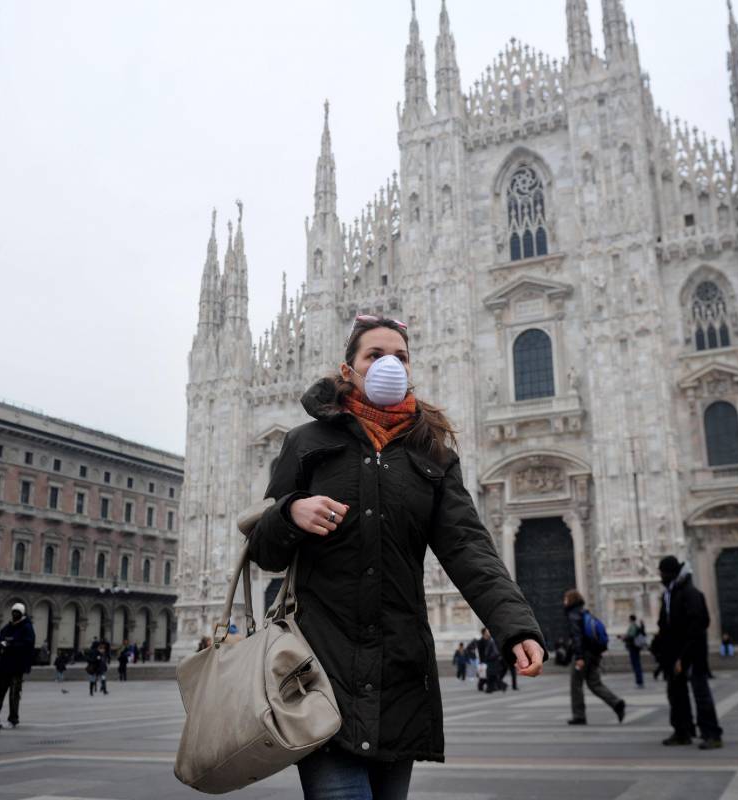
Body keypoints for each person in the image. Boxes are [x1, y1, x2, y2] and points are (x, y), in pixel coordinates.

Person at [247, 315, 546, 799]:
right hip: (322, 673)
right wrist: (289, 511)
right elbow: (264, 551)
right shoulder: (307, 443)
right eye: (375, 356)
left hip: (399, 676)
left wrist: (516, 626)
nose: (390, 364)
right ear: (349, 369)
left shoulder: (432, 451)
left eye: (400, 357)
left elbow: (468, 546)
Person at [653, 556, 722, 750]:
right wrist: (659, 646)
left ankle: (712, 734)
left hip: (692, 653)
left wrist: (684, 656)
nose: (660, 576)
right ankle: (682, 731)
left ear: (671, 573)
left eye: (662, 572)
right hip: (673, 654)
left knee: (700, 693)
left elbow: (699, 624)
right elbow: (665, 625)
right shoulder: (670, 594)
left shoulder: (690, 593)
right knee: (676, 693)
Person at [564, 589, 626, 725]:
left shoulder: (573, 614)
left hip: (582, 655)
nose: (564, 601)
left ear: (570, 600)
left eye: (566, 599)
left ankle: (579, 716)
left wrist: (579, 657)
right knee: (594, 683)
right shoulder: (585, 612)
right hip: (594, 654)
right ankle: (616, 703)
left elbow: (577, 637)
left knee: (576, 685)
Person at [0, 602, 35, 732]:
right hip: (4, 665)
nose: (14, 615)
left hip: (17, 667)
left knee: (14, 694)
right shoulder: (8, 627)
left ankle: (13, 719)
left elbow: (28, 644)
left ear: (22, 614)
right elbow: (0, 639)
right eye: (13, 612)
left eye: (17, 613)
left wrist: (10, 644)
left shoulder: (27, 627)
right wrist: (1, 645)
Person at [621, 615, 646, 688]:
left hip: (633, 648)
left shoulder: (633, 626)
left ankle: (639, 682)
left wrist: (623, 638)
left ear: (630, 619)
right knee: (637, 664)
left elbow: (631, 636)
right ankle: (639, 681)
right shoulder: (636, 626)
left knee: (636, 665)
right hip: (636, 647)